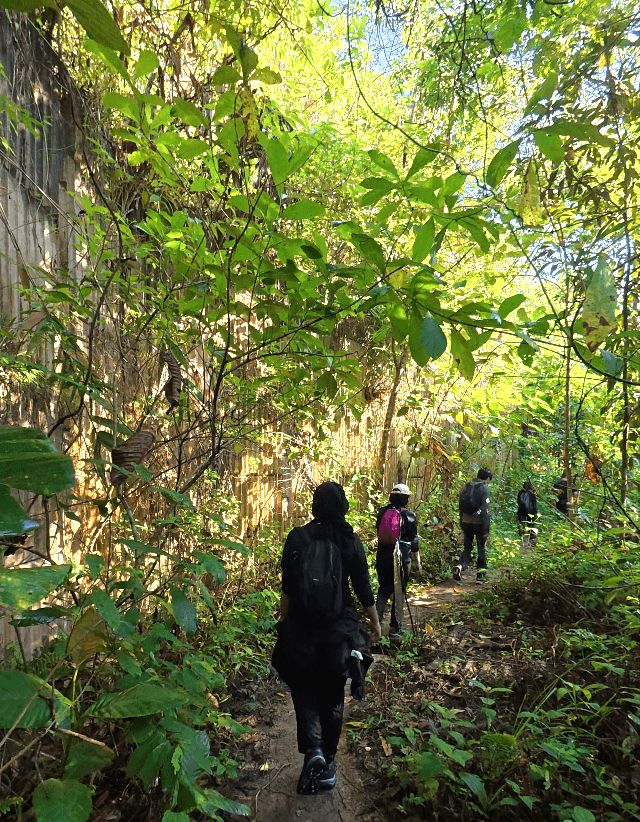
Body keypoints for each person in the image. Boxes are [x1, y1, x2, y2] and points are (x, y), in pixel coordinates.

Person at [271, 481, 381, 796]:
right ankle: (328, 762)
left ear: (315, 506)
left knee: (304, 691)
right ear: (343, 506)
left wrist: (285, 622)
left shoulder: (297, 538)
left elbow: (287, 589)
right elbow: (363, 587)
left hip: (302, 630)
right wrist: (375, 624)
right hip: (338, 632)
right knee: (332, 695)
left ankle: (314, 751)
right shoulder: (350, 540)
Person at [375, 483, 422, 638]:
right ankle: (395, 629)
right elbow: (414, 542)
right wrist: (418, 564)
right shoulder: (409, 515)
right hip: (401, 557)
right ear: (405, 498)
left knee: (383, 589)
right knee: (399, 592)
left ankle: (375, 624)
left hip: (382, 555)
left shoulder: (382, 512)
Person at [453, 468, 492, 583]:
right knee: (481, 548)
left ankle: (460, 566)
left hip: (466, 522)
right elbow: (485, 510)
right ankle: (480, 576)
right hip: (479, 523)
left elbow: (461, 507)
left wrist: (462, 525)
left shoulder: (466, 486)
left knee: (467, 547)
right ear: (487, 478)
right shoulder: (484, 489)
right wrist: (486, 528)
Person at [517, 480, 538, 545]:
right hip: (531, 511)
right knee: (531, 524)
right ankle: (532, 538)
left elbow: (518, 501)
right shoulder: (533, 493)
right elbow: (534, 503)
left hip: (522, 510)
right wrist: (535, 511)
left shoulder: (521, 492)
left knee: (522, 523)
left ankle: (522, 537)